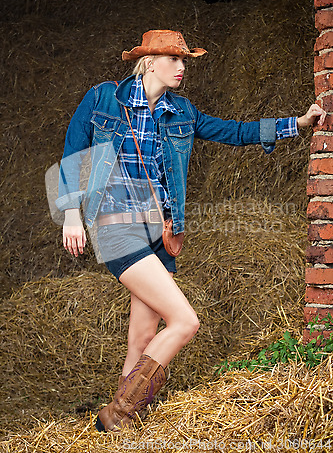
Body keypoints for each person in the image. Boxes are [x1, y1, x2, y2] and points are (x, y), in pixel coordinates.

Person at [55, 29, 326, 432]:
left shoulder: (182, 112)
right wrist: (71, 215)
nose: (182, 68)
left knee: (143, 336)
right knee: (184, 321)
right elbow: (73, 152)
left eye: (185, 61)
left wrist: (297, 123)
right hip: (115, 224)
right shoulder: (102, 98)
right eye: (175, 60)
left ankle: (110, 427)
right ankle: (120, 414)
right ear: (149, 63)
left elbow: (234, 132)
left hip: (161, 231)